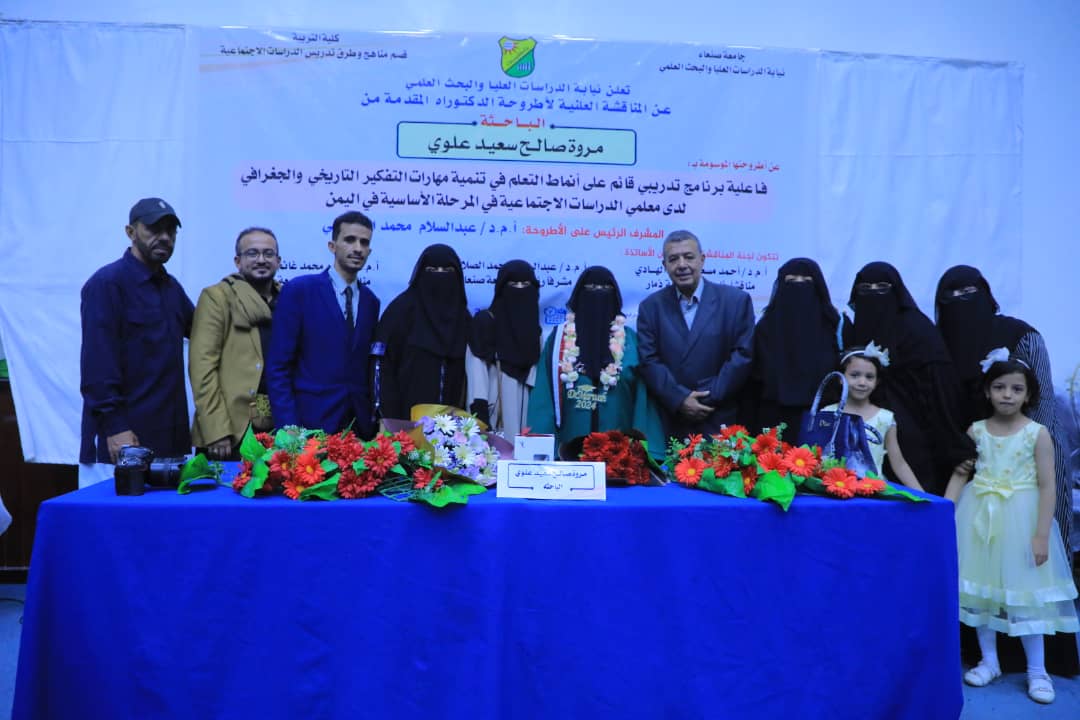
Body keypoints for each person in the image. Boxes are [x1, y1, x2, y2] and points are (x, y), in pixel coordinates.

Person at [945, 355, 1078, 705]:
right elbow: (960, 474)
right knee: (981, 592)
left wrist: (1040, 534)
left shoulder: (1037, 433)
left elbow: (1048, 485)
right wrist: (943, 515)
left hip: (1022, 518)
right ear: (987, 391)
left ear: (1028, 395)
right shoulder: (976, 430)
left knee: (1026, 596)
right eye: (999, 387)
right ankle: (989, 661)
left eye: (1016, 389)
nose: (1007, 395)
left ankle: (1038, 670)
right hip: (978, 518)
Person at [935, 265, 1073, 555]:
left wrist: (1028, 445)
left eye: (969, 292)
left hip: (1030, 452)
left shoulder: (1021, 335)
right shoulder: (938, 342)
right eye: (953, 295)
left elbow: (1042, 399)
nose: (961, 301)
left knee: (1040, 546)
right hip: (971, 453)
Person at [79, 197, 194, 487]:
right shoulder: (107, 284)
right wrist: (115, 427)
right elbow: (97, 365)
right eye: (154, 229)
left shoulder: (171, 288)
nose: (164, 237)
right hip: (122, 444)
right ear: (130, 232)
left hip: (170, 443)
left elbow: (206, 332)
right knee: (113, 517)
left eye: (171, 230)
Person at [842, 261, 971, 495]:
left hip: (915, 436)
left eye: (882, 288)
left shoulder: (917, 330)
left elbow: (940, 390)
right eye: (866, 288)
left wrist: (953, 442)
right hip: (865, 433)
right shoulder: (857, 326)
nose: (873, 294)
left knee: (911, 499)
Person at [527, 266, 664, 457]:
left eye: (605, 289)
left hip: (619, 457)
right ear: (579, 295)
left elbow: (642, 402)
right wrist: (540, 450)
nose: (598, 294)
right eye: (590, 288)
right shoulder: (559, 340)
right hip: (567, 456)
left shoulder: (630, 342)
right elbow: (543, 397)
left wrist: (643, 452)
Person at [265, 211, 379, 437]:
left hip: (358, 428)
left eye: (364, 242)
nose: (358, 248)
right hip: (309, 424)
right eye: (350, 240)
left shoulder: (371, 302)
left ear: (369, 251)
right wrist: (288, 426)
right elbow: (278, 366)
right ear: (332, 246)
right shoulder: (300, 291)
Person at [637, 230, 754, 440]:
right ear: (664, 265)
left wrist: (705, 398)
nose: (682, 265)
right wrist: (680, 399)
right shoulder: (651, 307)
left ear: (702, 260)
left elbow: (742, 356)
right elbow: (649, 361)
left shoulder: (735, 301)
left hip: (718, 418)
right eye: (673, 259)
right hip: (671, 420)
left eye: (689, 257)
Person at [189, 227, 282, 460]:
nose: (261, 259)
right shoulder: (217, 297)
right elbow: (202, 368)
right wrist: (216, 430)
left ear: (278, 261)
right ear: (238, 261)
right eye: (252, 253)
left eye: (268, 253)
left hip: (277, 429)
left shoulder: (287, 299)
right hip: (229, 432)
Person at [743, 257, 840, 436]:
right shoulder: (766, 328)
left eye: (807, 282)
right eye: (791, 281)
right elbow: (754, 382)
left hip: (821, 417)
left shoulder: (834, 325)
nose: (799, 286)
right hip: (773, 419)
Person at [375, 243, 472, 420]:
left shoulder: (464, 320)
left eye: (447, 270)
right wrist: (390, 419)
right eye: (432, 270)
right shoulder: (400, 312)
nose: (440, 275)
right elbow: (381, 368)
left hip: (454, 428)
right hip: (404, 425)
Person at [822, 344, 924, 491]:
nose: (862, 382)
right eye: (855, 375)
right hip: (835, 488)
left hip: (872, 491)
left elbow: (899, 463)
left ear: (877, 382)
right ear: (841, 378)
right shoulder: (828, 413)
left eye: (869, 377)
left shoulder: (885, 418)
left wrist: (924, 496)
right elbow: (818, 454)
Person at [466, 260, 541, 437]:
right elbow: (476, 371)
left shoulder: (535, 330)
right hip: (495, 409)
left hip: (527, 408)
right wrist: (480, 415)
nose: (520, 289)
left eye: (525, 284)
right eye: (513, 284)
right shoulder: (485, 323)